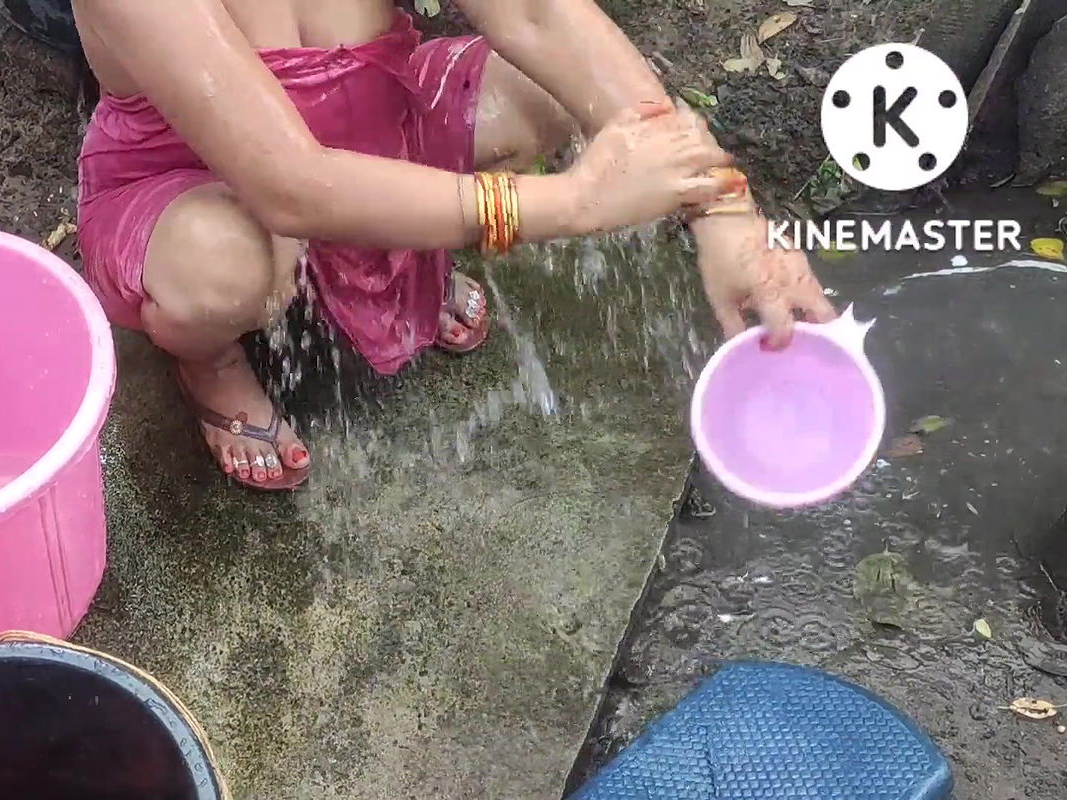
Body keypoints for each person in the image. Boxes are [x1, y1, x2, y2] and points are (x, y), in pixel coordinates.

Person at [72, 0, 835, 491]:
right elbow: (289, 185)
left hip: (374, 124)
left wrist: (725, 211)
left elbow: (540, 16)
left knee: (541, 96)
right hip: (200, 176)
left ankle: (406, 255)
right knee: (227, 268)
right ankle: (210, 360)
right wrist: (569, 203)